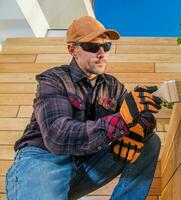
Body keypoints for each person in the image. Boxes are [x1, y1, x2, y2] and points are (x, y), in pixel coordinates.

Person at [6, 16, 162, 200]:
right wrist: (123, 120)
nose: (102, 53)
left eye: (107, 46)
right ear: (73, 50)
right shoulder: (54, 79)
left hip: (85, 164)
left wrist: (138, 128)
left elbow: (142, 115)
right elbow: (58, 135)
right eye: (92, 46)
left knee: (149, 141)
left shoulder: (114, 86)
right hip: (43, 159)